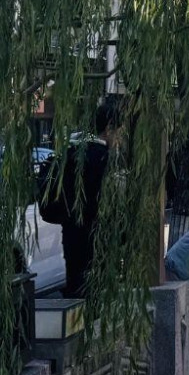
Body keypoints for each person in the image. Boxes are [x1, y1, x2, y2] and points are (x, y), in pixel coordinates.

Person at [44, 94, 119, 299]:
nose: (121, 139)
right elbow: (106, 201)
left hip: (71, 231)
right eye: (120, 132)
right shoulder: (103, 158)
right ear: (109, 129)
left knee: (75, 286)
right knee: (94, 289)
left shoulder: (72, 152)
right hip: (95, 233)